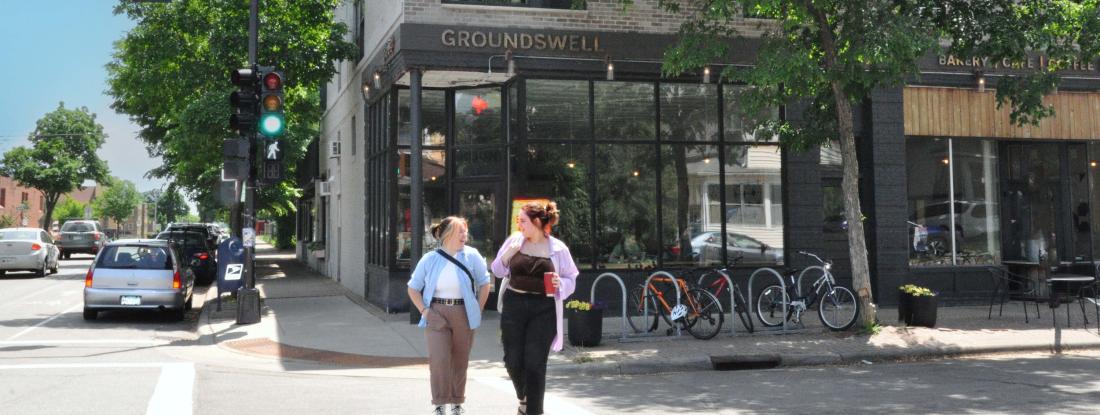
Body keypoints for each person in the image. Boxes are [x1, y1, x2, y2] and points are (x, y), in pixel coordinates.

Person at [491, 201, 579, 415]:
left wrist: (562, 284)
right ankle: (524, 399)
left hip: (544, 308)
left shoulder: (558, 248)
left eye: (523, 221)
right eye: (518, 221)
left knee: (535, 362)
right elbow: (497, 270)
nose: (519, 225)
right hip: (514, 305)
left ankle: (533, 410)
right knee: (512, 359)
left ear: (537, 222)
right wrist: (507, 255)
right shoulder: (515, 241)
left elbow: (571, 278)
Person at [407, 216, 491, 415]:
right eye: (460, 231)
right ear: (446, 235)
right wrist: (425, 311)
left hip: (464, 312)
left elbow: (485, 283)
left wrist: (477, 310)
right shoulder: (430, 258)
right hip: (436, 312)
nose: (465, 235)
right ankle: (439, 404)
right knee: (439, 360)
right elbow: (413, 288)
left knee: (460, 360)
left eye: (465, 231)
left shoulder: (472, 255)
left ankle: (456, 403)